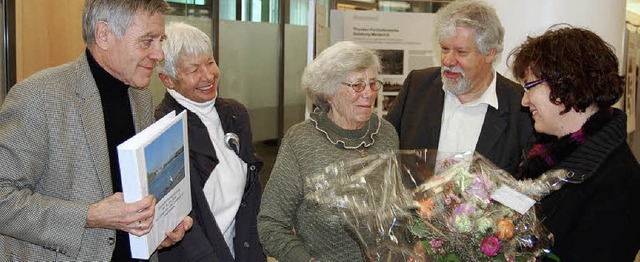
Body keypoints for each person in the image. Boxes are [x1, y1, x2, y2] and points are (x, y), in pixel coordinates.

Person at [0, 1, 192, 261]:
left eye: (161, 40)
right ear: (104, 35)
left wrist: (159, 229)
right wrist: (91, 216)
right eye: (148, 41)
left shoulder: (141, 98)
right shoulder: (38, 97)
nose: (159, 54)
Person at [257, 41, 399, 262]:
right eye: (358, 85)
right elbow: (270, 224)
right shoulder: (301, 140)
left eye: (372, 84)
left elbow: (397, 208)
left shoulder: (387, 133)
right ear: (329, 92)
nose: (369, 94)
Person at [509, 26, 640, 261]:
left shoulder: (618, 180)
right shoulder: (548, 154)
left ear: (565, 85)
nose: (524, 100)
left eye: (529, 87)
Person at [154, 22, 265, 262]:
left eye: (210, 62)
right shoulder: (163, 129)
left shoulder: (235, 114)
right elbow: (181, 219)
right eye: (194, 70)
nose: (208, 76)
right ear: (168, 80)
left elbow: (251, 195)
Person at [385, 0, 532, 174]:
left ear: (489, 53)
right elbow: (385, 149)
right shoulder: (417, 86)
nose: (448, 60)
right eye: (445, 49)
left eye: (461, 52)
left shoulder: (519, 104)